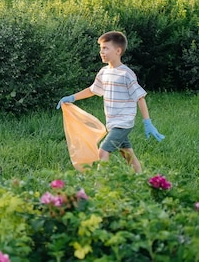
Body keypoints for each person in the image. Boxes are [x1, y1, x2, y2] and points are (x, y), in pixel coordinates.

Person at [56, 31, 164, 173]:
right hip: (112, 123)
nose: (102, 52)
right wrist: (72, 97)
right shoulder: (104, 72)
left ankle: (100, 187)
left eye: (106, 48)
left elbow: (140, 97)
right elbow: (92, 90)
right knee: (128, 155)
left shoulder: (126, 74)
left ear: (118, 51)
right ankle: (141, 179)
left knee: (102, 152)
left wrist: (147, 122)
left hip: (123, 123)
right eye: (101, 48)